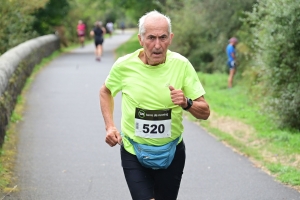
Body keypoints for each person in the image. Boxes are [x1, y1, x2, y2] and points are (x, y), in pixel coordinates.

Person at [99, 10, 210, 200]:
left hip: (171, 152)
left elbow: (205, 112)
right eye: (151, 38)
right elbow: (106, 91)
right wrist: (110, 126)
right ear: (141, 39)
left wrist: (186, 102)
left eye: (163, 38)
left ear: (171, 38)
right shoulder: (124, 65)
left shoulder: (181, 65)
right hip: (133, 150)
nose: (157, 45)